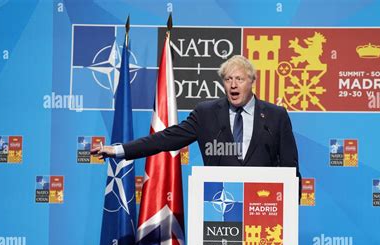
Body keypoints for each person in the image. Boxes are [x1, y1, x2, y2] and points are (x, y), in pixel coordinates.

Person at [91, 55, 300, 182]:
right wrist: (119, 150)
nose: (233, 85)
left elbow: (291, 165)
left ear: (252, 81)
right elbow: (165, 138)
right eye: (228, 80)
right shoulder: (207, 113)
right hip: (219, 204)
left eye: (239, 79)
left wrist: (290, 207)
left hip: (265, 205)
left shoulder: (275, 116)